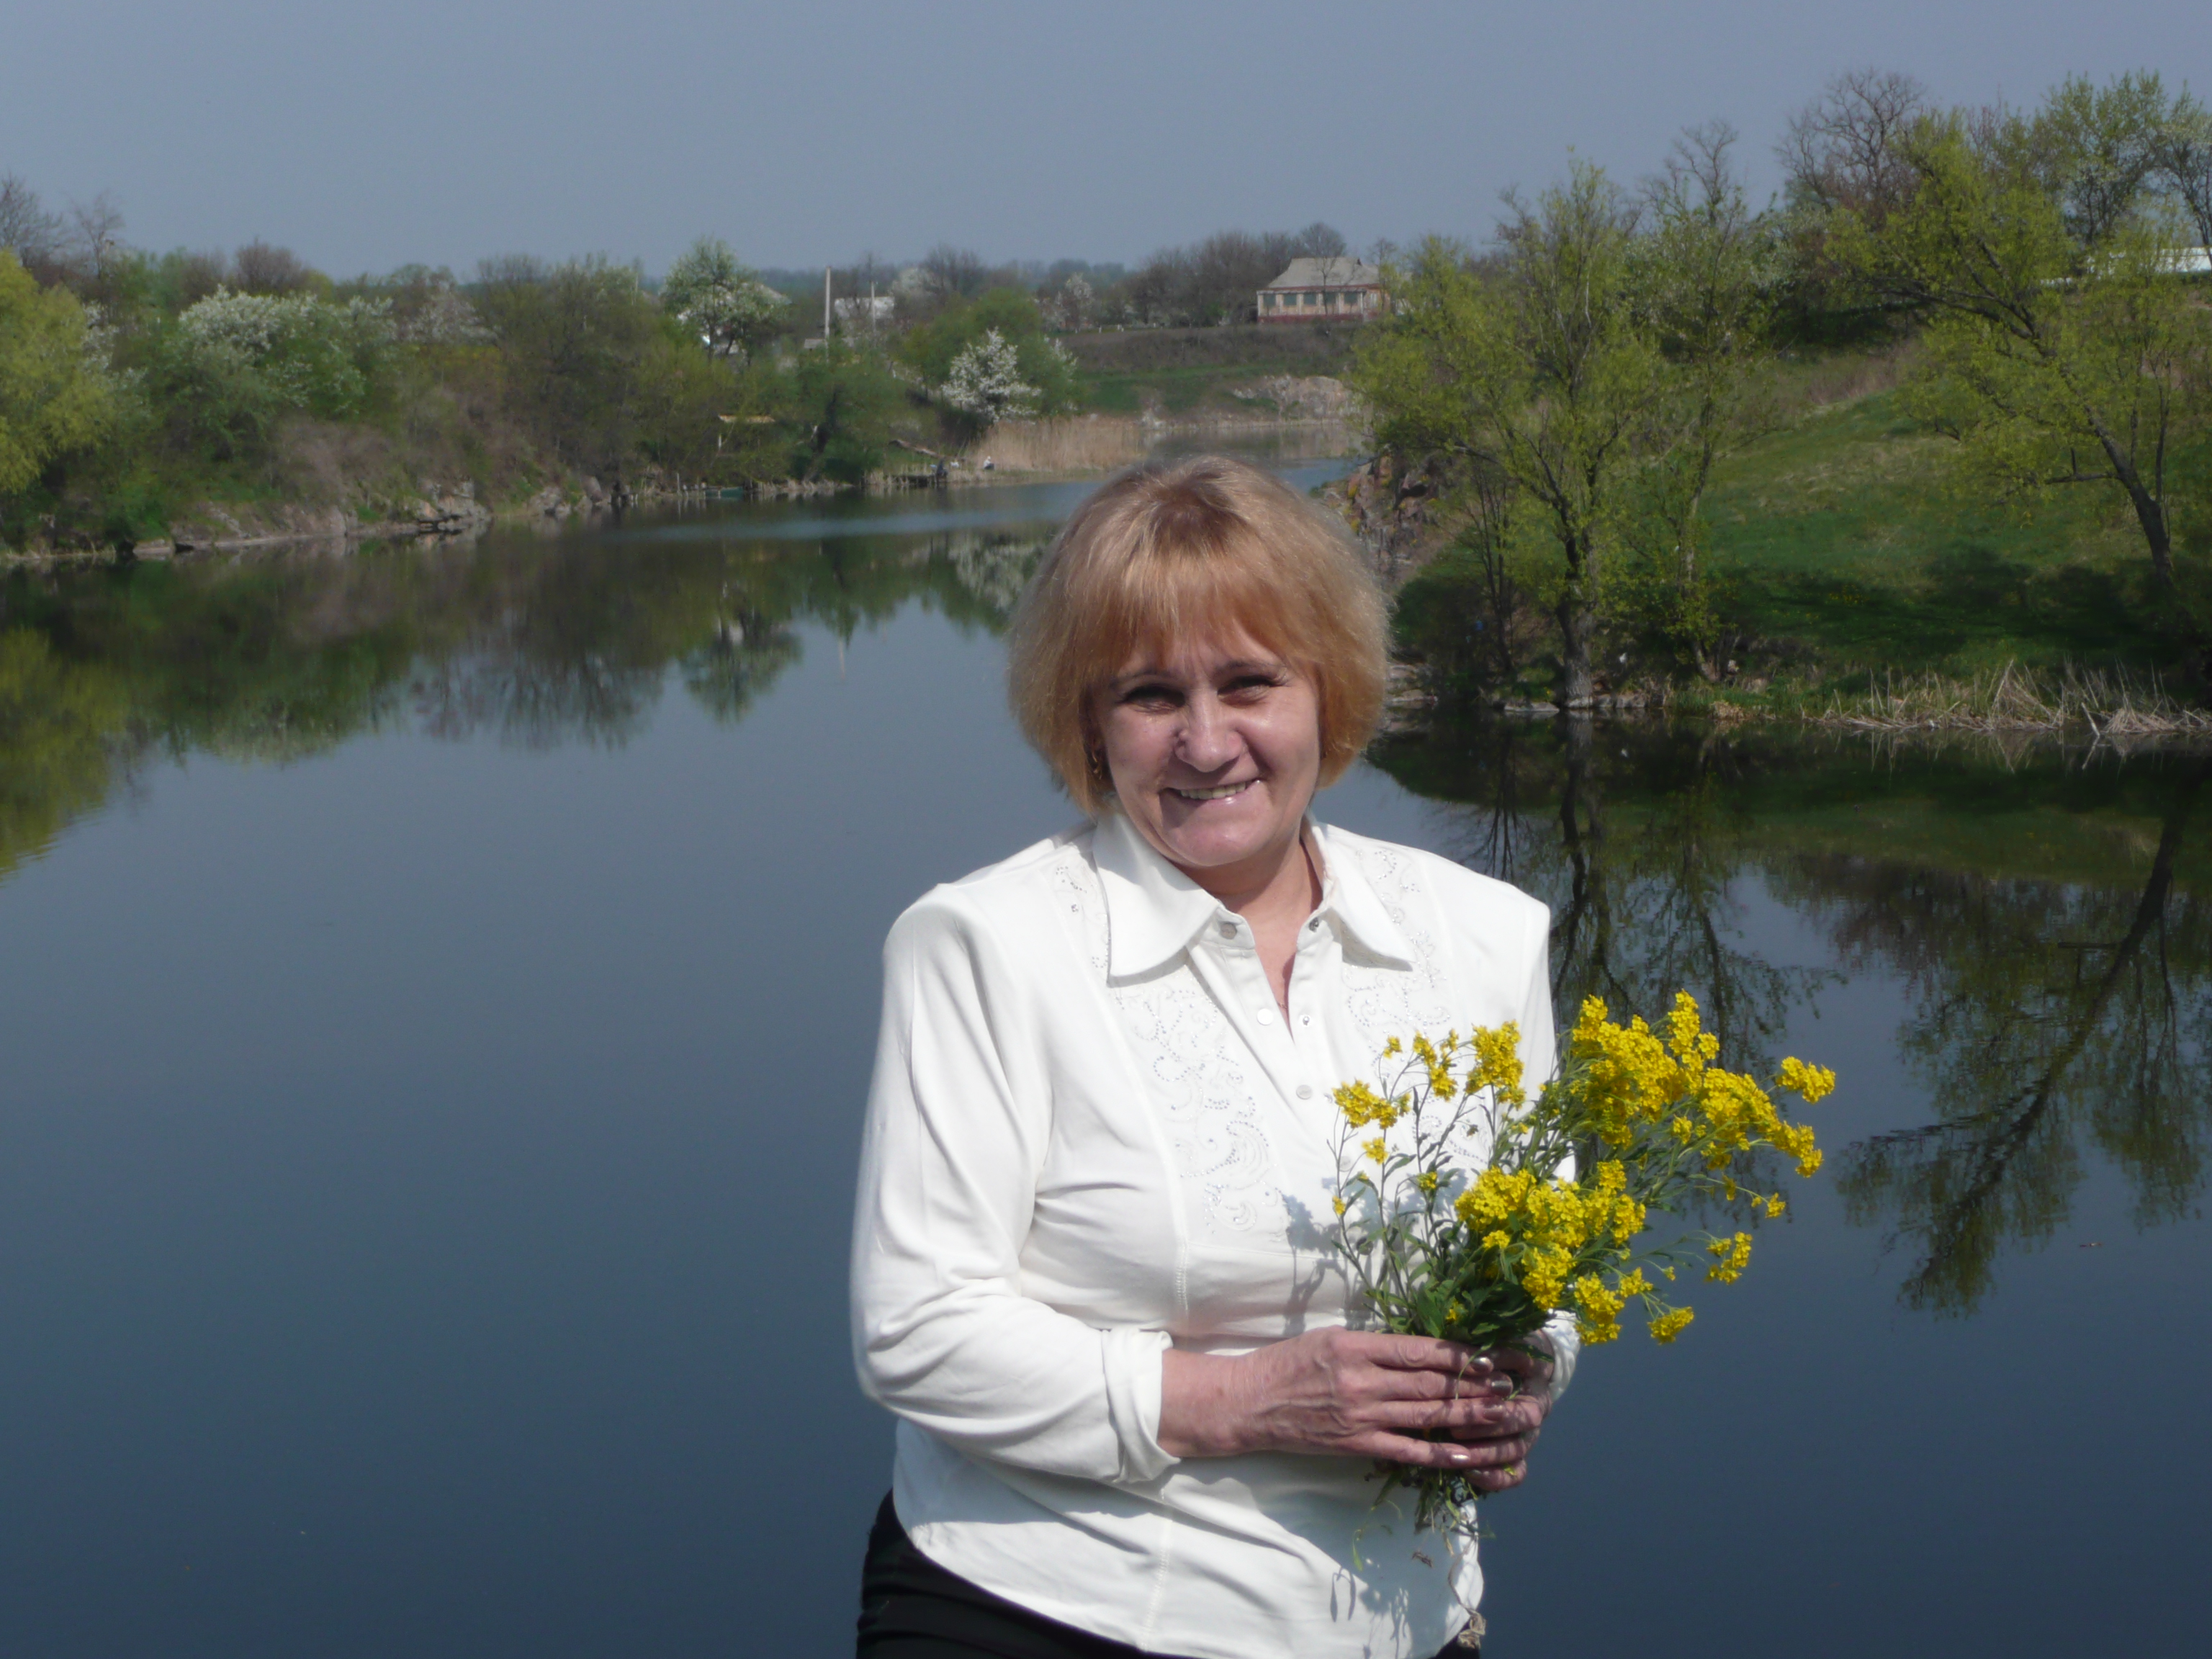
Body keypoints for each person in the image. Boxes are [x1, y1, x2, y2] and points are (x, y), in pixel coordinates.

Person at [850, 456, 1573, 1659]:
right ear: (1089, 723)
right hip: (1048, 1611)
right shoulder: (984, 946)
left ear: (1329, 690)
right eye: (1150, 695)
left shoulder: (1486, 934)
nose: (1204, 742)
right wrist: (1245, 1400)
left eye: (1249, 683)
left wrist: (1518, 1377)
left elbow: (1549, 1262)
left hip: (1403, 1623)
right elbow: (916, 1329)